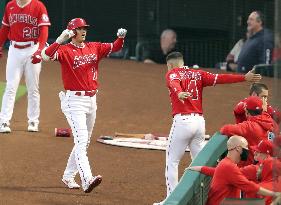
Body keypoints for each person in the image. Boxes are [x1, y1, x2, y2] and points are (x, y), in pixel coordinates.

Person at [153, 51, 262, 205]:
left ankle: (171, 201)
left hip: (182, 122)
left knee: (172, 161)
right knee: (202, 162)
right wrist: (244, 77)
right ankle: (209, 196)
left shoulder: (172, 73)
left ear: (170, 65)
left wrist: (179, 93)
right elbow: (221, 78)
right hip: (199, 123)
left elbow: (174, 83)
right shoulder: (198, 74)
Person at [41, 18, 127, 193]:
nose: (83, 31)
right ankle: (87, 179)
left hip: (91, 101)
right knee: (81, 141)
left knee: (84, 142)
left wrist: (121, 38)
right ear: (72, 32)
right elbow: (45, 55)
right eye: (80, 29)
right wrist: (59, 40)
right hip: (74, 102)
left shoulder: (94, 47)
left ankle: (68, 175)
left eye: (84, 28)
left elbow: (114, 47)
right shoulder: (64, 50)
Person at [0, 0, 50, 133]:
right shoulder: (10, 6)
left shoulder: (38, 6)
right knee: (10, 86)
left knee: (33, 87)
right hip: (14, 50)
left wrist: (39, 50)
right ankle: (4, 121)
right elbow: (5, 28)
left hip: (32, 48)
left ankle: (33, 121)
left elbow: (44, 30)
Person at [187, 137, 281, 205]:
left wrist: (202, 168)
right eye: (246, 148)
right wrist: (274, 194)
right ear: (239, 149)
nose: (248, 151)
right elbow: (249, 186)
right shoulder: (228, 166)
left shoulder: (228, 165)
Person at [221, 96, 276, 166]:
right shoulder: (269, 120)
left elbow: (225, 129)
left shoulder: (249, 127)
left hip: (253, 169)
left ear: (246, 111)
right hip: (269, 166)